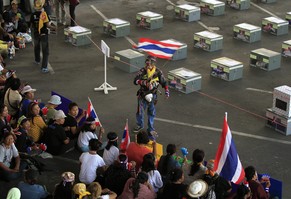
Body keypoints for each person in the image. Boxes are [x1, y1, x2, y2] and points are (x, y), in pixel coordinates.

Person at [133, 55, 169, 135]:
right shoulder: (142, 71)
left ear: (153, 63)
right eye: (147, 63)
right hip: (142, 95)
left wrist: (166, 90)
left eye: (150, 63)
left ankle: (151, 128)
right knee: (140, 112)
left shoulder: (158, 72)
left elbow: (164, 82)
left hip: (153, 95)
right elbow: (135, 81)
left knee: (151, 112)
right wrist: (143, 82)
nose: (148, 65)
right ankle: (140, 125)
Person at [30, 0, 56, 73]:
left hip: (36, 34)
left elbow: (31, 25)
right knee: (45, 51)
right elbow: (48, 25)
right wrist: (54, 28)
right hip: (43, 34)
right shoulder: (44, 14)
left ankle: (37, 60)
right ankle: (44, 67)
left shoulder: (33, 15)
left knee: (36, 47)